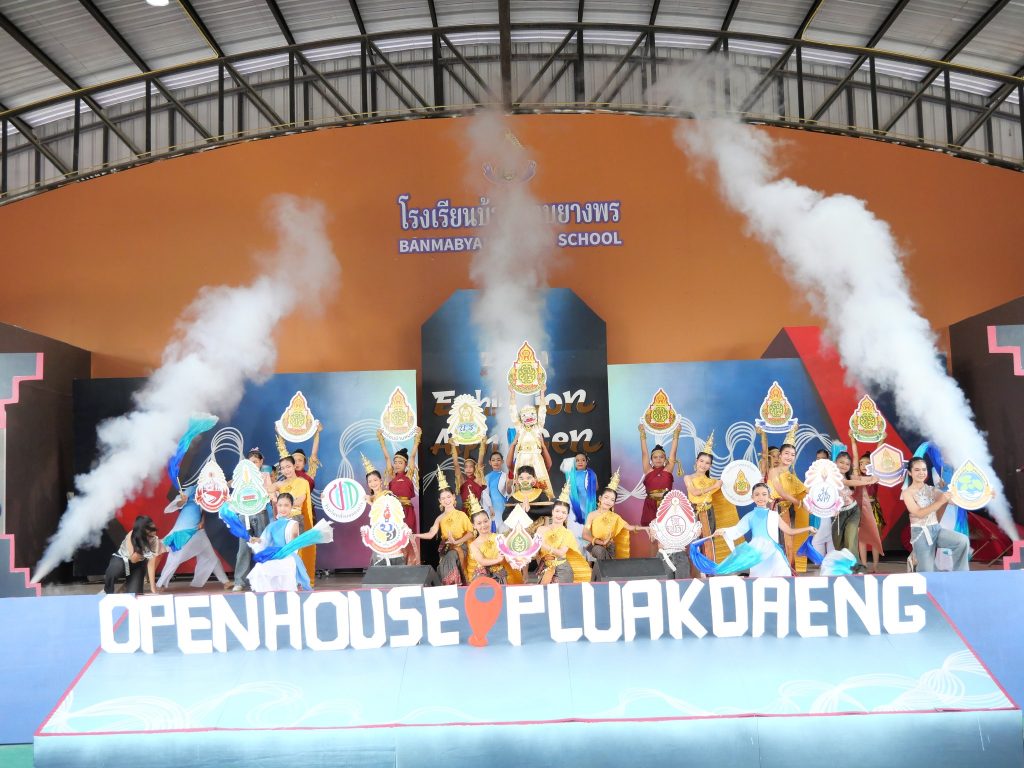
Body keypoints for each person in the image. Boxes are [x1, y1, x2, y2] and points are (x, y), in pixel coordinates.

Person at [706, 483, 816, 577]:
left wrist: (808, 528)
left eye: (764, 494)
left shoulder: (774, 515)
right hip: (758, 554)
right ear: (752, 497)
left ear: (769, 497)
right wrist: (724, 531)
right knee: (759, 581)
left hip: (774, 553)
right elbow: (737, 530)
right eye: (757, 494)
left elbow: (789, 531)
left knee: (782, 577)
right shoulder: (750, 516)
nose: (761, 497)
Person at [246, 493, 327, 592]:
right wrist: (256, 540)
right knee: (259, 568)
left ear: (291, 507)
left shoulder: (293, 523)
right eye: (280, 505)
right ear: (276, 506)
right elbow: (264, 541)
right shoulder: (272, 525)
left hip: (288, 556)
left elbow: (293, 542)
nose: (282, 508)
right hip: (274, 556)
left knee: (284, 573)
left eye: (286, 505)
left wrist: (294, 540)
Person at [901, 457, 970, 572]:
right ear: (910, 473)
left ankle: (960, 575)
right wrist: (940, 501)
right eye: (917, 470)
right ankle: (915, 564)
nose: (921, 473)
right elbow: (919, 513)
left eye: (924, 469)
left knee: (962, 541)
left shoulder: (932, 490)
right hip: (921, 534)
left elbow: (953, 500)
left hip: (936, 529)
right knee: (927, 572)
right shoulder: (907, 493)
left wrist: (983, 495)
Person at [683, 432, 742, 564]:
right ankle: (698, 568)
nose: (703, 465)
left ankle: (710, 566)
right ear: (696, 461)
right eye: (701, 461)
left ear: (710, 466)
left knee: (710, 538)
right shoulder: (689, 477)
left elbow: (731, 487)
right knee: (697, 539)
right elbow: (694, 492)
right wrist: (713, 486)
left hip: (709, 512)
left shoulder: (712, 481)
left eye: (707, 463)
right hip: (695, 512)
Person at [156, 490, 230, 590]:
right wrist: (182, 501)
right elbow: (178, 503)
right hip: (184, 532)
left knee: (211, 556)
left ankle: (225, 581)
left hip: (198, 531)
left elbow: (203, 509)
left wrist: (202, 521)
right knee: (175, 559)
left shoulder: (206, 488)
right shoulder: (192, 487)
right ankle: (160, 584)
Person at [414, 471, 473, 585]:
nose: (447, 500)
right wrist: (415, 535)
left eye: (448, 497)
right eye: (443, 498)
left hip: (461, 546)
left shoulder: (461, 515)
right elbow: (431, 534)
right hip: (446, 547)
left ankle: (452, 584)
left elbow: (470, 533)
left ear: (454, 497)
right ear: (440, 501)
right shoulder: (440, 518)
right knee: (445, 561)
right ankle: (446, 585)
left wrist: (457, 542)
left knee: (451, 556)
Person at [765, 428, 810, 572]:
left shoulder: (792, 477)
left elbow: (807, 491)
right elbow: (781, 492)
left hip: (787, 512)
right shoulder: (773, 471)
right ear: (780, 455)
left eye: (792, 454)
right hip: (773, 510)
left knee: (787, 541)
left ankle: (787, 570)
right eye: (786, 453)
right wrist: (799, 503)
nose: (789, 457)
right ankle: (773, 571)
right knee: (775, 541)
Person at [377, 429, 422, 565]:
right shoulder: (392, 476)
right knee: (396, 536)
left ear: (405, 465)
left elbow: (413, 456)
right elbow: (387, 458)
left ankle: (411, 563)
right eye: (395, 462)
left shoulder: (409, 475)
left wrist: (417, 438)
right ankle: (397, 562)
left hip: (407, 510)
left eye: (400, 462)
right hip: (395, 511)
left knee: (408, 536)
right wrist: (381, 440)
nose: (397, 464)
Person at [232, 447, 274, 592]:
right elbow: (236, 493)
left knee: (262, 546)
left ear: (261, 462)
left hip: (260, 513)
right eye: (251, 462)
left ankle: (264, 579)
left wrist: (270, 495)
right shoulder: (242, 477)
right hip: (244, 515)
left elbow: (269, 492)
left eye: (256, 461)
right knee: (243, 548)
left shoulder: (264, 475)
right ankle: (239, 581)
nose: (253, 464)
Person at [274, 455, 315, 586]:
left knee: (296, 550)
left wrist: (282, 504)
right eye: (283, 468)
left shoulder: (302, 482)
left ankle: (299, 579)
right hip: (282, 521)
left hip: (295, 519)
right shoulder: (281, 484)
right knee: (284, 550)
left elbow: (299, 501)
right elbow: (268, 492)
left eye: (288, 467)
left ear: (294, 466)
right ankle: (287, 579)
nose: (286, 470)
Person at [583, 475, 645, 561]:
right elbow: (585, 534)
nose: (608, 501)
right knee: (600, 551)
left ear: (614, 503)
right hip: (596, 545)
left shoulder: (615, 517)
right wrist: (600, 542)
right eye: (606, 497)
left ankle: (608, 566)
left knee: (605, 560)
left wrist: (645, 528)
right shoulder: (592, 515)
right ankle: (609, 566)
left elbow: (630, 527)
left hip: (610, 546)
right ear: (600, 498)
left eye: (612, 500)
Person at [536, 488, 592, 583]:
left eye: (563, 512)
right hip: (545, 567)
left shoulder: (567, 533)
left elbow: (561, 553)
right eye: (557, 511)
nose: (559, 515)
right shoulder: (541, 529)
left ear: (567, 515)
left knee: (558, 591)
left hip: (562, 569)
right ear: (552, 512)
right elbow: (536, 551)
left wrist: (545, 546)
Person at [507, 386, 554, 499]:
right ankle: (520, 500)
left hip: (536, 458)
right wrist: (512, 395)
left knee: (540, 482)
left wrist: (542, 393)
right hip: (522, 458)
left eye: (531, 414)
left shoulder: (538, 427)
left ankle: (543, 500)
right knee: (522, 481)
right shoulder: (520, 428)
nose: (528, 417)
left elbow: (542, 412)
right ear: (521, 418)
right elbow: (513, 414)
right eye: (524, 415)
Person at [104, 515, 166, 595]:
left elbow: (151, 564)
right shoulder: (131, 535)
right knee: (116, 569)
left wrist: (152, 587)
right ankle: (108, 590)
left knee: (135, 594)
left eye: (154, 529)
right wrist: (141, 551)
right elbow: (133, 559)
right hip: (122, 560)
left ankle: (128, 584)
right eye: (150, 531)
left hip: (137, 566)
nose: (154, 533)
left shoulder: (155, 541)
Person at [466, 506, 523, 584]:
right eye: (479, 523)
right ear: (474, 526)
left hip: (503, 570)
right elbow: (482, 561)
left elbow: (507, 552)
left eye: (485, 521)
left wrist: (511, 561)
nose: (483, 525)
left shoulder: (499, 537)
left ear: (489, 520)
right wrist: (498, 560)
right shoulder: (474, 544)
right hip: (485, 574)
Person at [638, 423, 680, 526]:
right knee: (652, 532)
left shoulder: (668, 470)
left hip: (667, 504)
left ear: (665, 459)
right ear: (651, 459)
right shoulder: (648, 470)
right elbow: (644, 453)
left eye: (661, 457)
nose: (658, 459)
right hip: (650, 506)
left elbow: (673, 453)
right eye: (655, 457)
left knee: (668, 530)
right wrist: (642, 433)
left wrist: (676, 433)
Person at [857, 450, 885, 570]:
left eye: (867, 463)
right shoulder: (857, 478)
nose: (863, 466)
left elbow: (879, 451)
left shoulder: (875, 477)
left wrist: (881, 440)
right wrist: (853, 443)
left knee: (875, 539)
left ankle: (875, 565)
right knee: (862, 539)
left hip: (873, 509)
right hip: (860, 509)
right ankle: (863, 564)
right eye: (861, 463)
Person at [276, 422, 322, 492]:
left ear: (304, 463)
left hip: (306, 499)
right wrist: (280, 432)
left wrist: (317, 432)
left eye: (300, 460)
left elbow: (314, 454)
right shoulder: (289, 473)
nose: (297, 463)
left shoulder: (310, 474)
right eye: (294, 461)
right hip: (288, 498)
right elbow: (282, 448)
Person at [452, 439, 486, 511]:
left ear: (475, 468)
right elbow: (456, 464)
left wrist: (483, 443)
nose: (468, 469)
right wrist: (452, 445)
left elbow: (480, 462)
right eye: (466, 467)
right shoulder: (462, 481)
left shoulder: (478, 480)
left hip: (477, 512)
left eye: (471, 466)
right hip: (464, 513)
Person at [481, 450, 510, 530]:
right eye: (493, 460)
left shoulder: (506, 476)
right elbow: (485, 494)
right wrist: (490, 507)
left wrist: (509, 484)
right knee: (494, 528)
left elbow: (509, 492)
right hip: (493, 507)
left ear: (502, 461)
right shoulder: (487, 477)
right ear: (490, 462)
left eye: (498, 460)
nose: (496, 462)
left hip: (504, 505)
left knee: (505, 528)